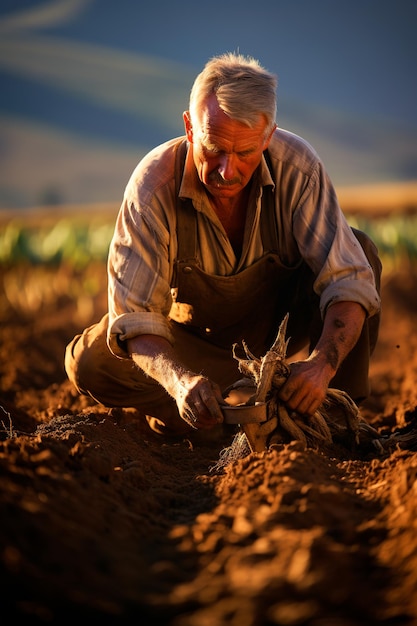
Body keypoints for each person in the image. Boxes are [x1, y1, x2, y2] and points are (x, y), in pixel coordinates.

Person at [65, 52, 381, 439]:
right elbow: (134, 316)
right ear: (189, 127)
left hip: (279, 338)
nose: (227, 171)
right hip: (197, 348)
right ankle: (217, 422)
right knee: (91, 360)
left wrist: (321, 366)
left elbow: (347, 278)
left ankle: (328, 419)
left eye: (245, 153)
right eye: (214, 148)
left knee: (361, 252)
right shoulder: (152, 187)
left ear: (268, 136)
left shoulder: (298, 167)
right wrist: (180, 381)